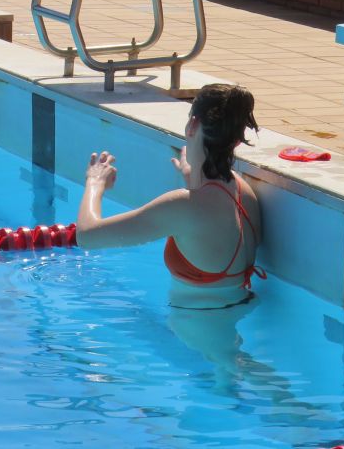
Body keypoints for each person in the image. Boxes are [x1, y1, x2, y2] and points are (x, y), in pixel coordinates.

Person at [76, 83, 263, 311]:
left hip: (195, 336)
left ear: (192, 124)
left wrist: (95, 183)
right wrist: (192, 173)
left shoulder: (181, 206)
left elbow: (86, 236)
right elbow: (210, 216)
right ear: (235, 140)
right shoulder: (244, 192)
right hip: (234, 312)